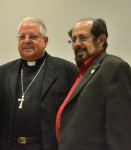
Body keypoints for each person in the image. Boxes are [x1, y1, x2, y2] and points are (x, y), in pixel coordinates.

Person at [0, 17, 79, 150]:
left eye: (33, 36)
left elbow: (76, 115)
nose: (26, 41)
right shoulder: (3, 72)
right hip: (9, 146)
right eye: (22, 37)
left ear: (45, 41)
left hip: (47, 146)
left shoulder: (67, 71)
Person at [56, 18, 131, 150]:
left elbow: (120, 131)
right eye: (73, 40)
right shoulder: (81, 72)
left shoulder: (114, 68)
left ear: (101, 40)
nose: (76, 44)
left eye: (83, 38)